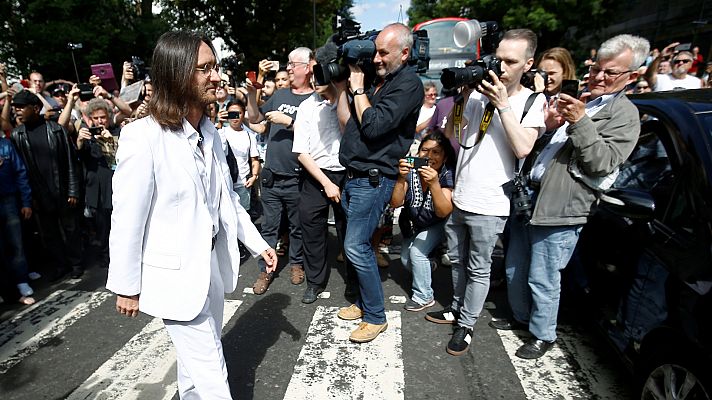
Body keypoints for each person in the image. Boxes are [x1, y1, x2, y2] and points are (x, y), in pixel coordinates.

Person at [107, 30, 277, 399]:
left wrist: (257, 242)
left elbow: (226, 199)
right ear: (176, 74)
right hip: (175, 276)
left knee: (194, 370)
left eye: (214, 67)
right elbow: (126, 216)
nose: (216, 76)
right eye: (204, 69)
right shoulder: (143, 137)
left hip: (211, 265)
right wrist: (126, 285)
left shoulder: (210, 133)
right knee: (213, 375)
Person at [491, 34, 649, 360]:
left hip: (562, 207)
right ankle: (522, 319)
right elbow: (544, 150)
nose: (599, 77)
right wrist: (549, 125)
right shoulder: (584, 99)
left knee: (543, 277)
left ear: (632, 76)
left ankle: (543, 334)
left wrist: (579, 121)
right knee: (515, 268)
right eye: (596, 70)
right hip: (529, 199)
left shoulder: (625, 114)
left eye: (611, 73)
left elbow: (602, 161)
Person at [426, 29, 547, 357]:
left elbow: (523, 147)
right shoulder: (477, 95)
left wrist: (503, 105)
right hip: (462, 195)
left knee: (479, 268)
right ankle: (455, 307)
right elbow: (451, 133)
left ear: (529, 64)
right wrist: (461, 98)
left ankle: (465, 325)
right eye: (500, 59)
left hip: (491, 203)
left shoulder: (533, 101)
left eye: (512, 62)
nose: (503, 68)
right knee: (457, 262)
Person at [336, 23, 424, 343]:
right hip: (355, 176)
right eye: (375, 51)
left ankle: (375, 316)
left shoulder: (409, 85)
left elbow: (373, 126)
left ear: (405, 52)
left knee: (355, 247)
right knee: (359, 246)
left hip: (374, 181)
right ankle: (362, 303)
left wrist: (359, 89)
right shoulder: (381, 80)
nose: (375, 59)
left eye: (383, 52)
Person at [246, 47, 315, 294]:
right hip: (272, 175)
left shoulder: (316, 99)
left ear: (307, 67)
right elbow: (255, 119)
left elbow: (317, 136)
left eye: (292, 64)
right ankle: (266, 270)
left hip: (298, 177)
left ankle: (297, 263)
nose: (287, 68)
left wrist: (290, 122)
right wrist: (252, 94)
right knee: (269, 227)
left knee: (297, 226)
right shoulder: (281, 94)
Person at [292, 68, 354, 304]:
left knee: (349, 232)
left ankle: (354, 283)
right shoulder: (306, 106)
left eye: (322, 73)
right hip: (315, 175)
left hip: (347, 174)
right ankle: (315, 282)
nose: (316, 79)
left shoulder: (347, 99)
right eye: (313, 74)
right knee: (312, 230)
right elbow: (301, 151)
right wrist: (326, 183)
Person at [9, 90, 83, 280]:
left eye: (21, 107)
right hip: (39, 194)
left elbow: (70, 161)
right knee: (49, 234)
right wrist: (29, 197)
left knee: (71, 229)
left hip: (63, 190)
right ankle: (61, 265)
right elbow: (21, 171)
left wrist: (73, 190)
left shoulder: (56, 130)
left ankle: (76, 263)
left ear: (35, 108)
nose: (17, 111)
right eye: (15, 107)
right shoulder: (17, 136)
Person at [390, 131, 454, 311]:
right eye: (425, 151)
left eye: (436, 152)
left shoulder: (446, 174)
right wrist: (401, 177)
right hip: (413, 223)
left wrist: (434, 184)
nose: (429, 156)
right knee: (405, 259)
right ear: (418, 153)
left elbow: (443, 212)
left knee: (417, 253)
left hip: (437, 223)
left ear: (444, 156)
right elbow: (395, 203)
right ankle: (429, 266)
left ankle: (423, 296)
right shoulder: (410, 173)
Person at [76, 98, 120, 268]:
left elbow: (121, 158)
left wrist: (111, 141)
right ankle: (105, 255)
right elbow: (78, 158)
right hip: (98, 188)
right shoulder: (87, 136)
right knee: (102, 225)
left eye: (103, 117)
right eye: (96, 118)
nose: (100, 121)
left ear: (109, 117)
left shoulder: (117, 132)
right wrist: (80, 141)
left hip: (116, 185)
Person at [0, 134, 34, 298]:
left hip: (9, 201)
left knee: (16, 243)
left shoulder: (6, 145)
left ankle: (21, 279)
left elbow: (21, 173)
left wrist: (26, 202)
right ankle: (6, 288)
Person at [218, 100, 260, 211]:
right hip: (225, 182)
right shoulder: (220, 132)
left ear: (243, 114)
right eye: (232, 114)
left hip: (243, 183)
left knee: (244, 214)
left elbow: (255, 159)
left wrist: (254, 176)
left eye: (238, 113)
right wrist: (220, 123)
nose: (235, 117)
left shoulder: (249, 135)